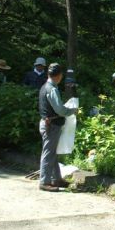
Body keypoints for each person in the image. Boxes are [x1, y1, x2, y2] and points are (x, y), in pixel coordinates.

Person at [38, 63, 78, 192]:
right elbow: (60, 110)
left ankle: (56, 179)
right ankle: (44, 181)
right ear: (59, 75)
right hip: (52, 125)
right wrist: (72, 110)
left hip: (47, 123)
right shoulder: (52, 89)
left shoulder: (45, 87)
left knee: (52, 153)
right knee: (48, 153)